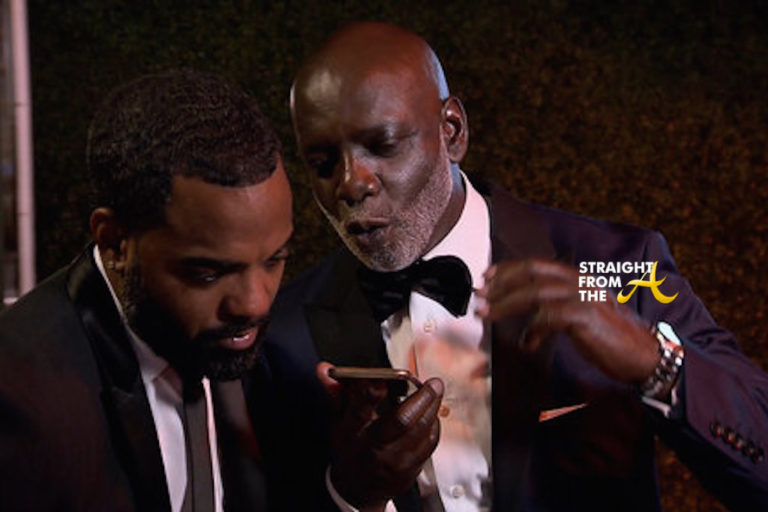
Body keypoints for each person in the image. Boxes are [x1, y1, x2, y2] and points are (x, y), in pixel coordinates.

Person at [263, 21, 768, 512]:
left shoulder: (621, 265)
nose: (351, 184)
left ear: (452, 132)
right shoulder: (284, 335)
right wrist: (351, 497)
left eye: (383, 145)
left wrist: (652, 361)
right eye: (322, 163)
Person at [0, 70, 293, 512]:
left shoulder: (270, 359)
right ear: (115, 241)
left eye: (274, 259)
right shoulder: (19, 400)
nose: (255, 302)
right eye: (208, 273)